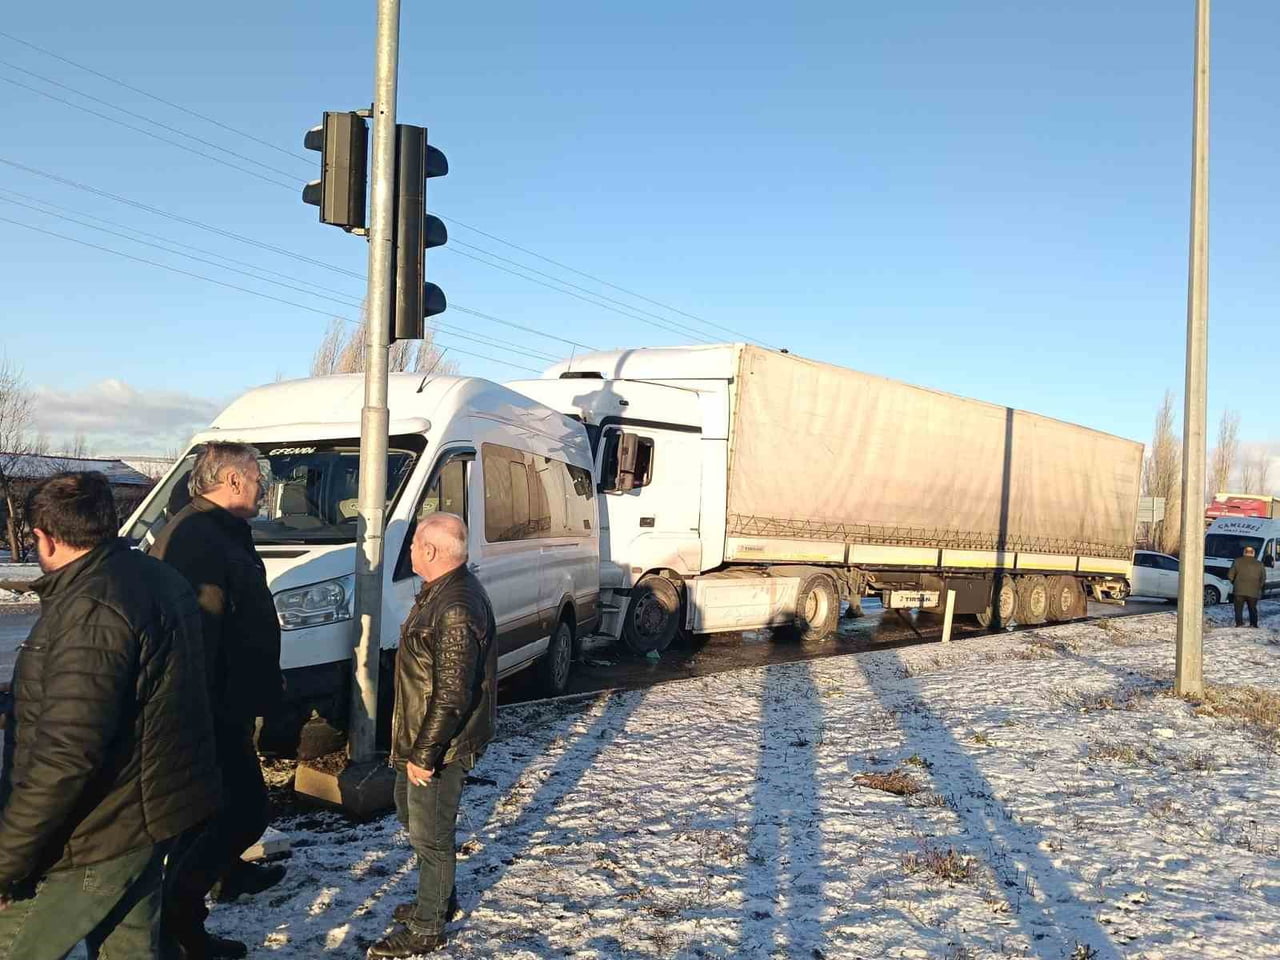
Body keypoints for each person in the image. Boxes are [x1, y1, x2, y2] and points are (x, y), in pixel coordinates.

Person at [0, 472, 220, 960]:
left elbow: (65, 757)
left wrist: (8, 862)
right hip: (149, 811)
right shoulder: (150, 575)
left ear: (44, 536)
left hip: (97, 831)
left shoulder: (91, 609)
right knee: (130, 949)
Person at [150, 443, 286, 960]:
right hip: (206, 707)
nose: (262, 487)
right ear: (231, 481)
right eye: (257, 478)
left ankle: (185, 920)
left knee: (208, 814)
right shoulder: (197, 538)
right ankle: (177, 913)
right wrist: (204, 714)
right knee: (245, 811)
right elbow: (199, 634)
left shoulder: (219, 530)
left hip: (224, 703)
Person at [370, 513, 496, 959]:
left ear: (430, 551)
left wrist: (426, 753)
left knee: (431, 835)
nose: (407, 552)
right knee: (412, 816)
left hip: (439, 744)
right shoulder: (440, 592)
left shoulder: (456, 605)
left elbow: (452, 695)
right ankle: (436, 898)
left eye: (412, 545)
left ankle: (428, 928)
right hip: (420, 738)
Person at [1227, 544, 1265, 628]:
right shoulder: (1259, 564)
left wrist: (1235, 583)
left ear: (1244, 552)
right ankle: (1253, 624)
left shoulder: (1236, 561)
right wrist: (1258, 586)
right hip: (1253, 591)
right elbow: (1263, 578)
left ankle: (1239, 623)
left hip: (1239, 590)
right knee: (1252, 608)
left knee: (1238, 609)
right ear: (1253, 553)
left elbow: (1230, 575)